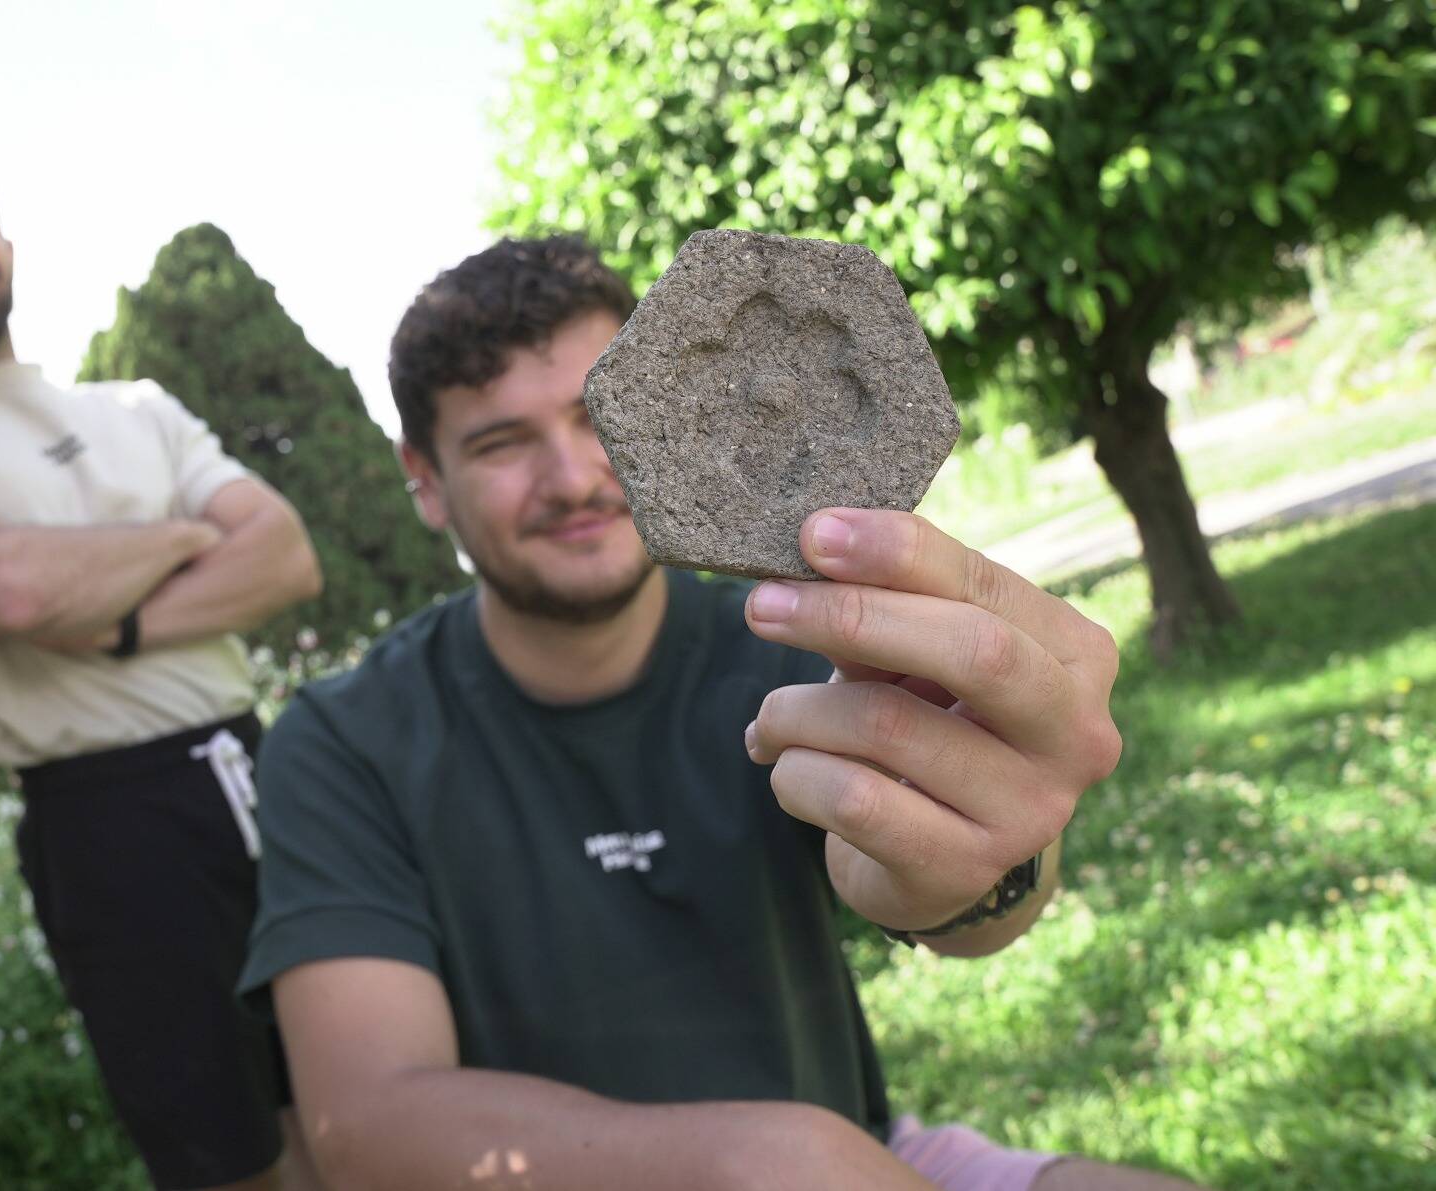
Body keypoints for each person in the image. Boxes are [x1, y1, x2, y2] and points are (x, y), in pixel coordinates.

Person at [238, 236, 1201, 1190]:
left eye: (599, 416)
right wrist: (768, 1159)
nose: (572, 478)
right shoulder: (343, 743)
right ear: (423, 478)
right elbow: (367, 1127)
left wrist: (978, 862)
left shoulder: (796, 638)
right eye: (501, 443)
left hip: (866, 1158)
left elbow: (977, 918)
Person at [0, 146, 323, 1191]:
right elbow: (11, 594)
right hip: (109, 827)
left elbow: (284, 556)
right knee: (227, 1155)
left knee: (354, 1099)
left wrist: (115, 620)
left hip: (263, 771)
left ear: (4, 243)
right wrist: (184, 532)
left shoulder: (137, 409)